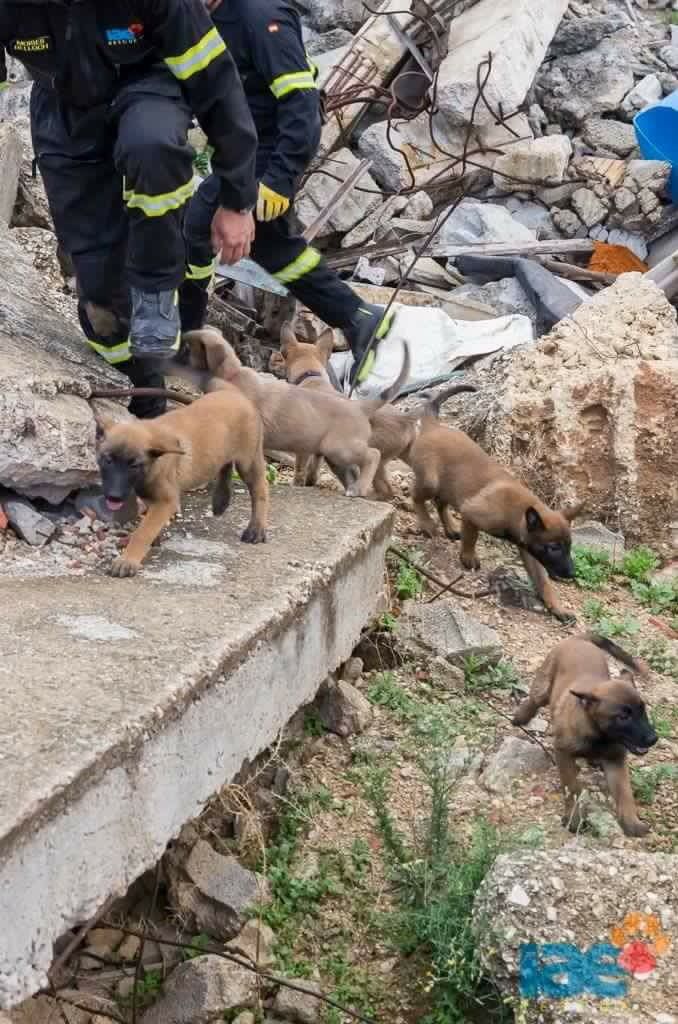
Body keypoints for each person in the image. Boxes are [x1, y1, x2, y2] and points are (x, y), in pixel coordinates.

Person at [0, 0, 259, 418]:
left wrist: (237, 198)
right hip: (65, 112)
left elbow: (217, 86)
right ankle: (145, 396)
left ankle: (157, 295)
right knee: (99, 294)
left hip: (147, 86)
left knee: (151, 145)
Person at [180, 0, 395, 384]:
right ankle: (359, 317)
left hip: (267, 153)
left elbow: (302, 105)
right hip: (243, 146)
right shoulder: (210, 16)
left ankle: (188, 342)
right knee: (274, 248)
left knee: (197, 227)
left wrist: (279, 178)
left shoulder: (260, 16)